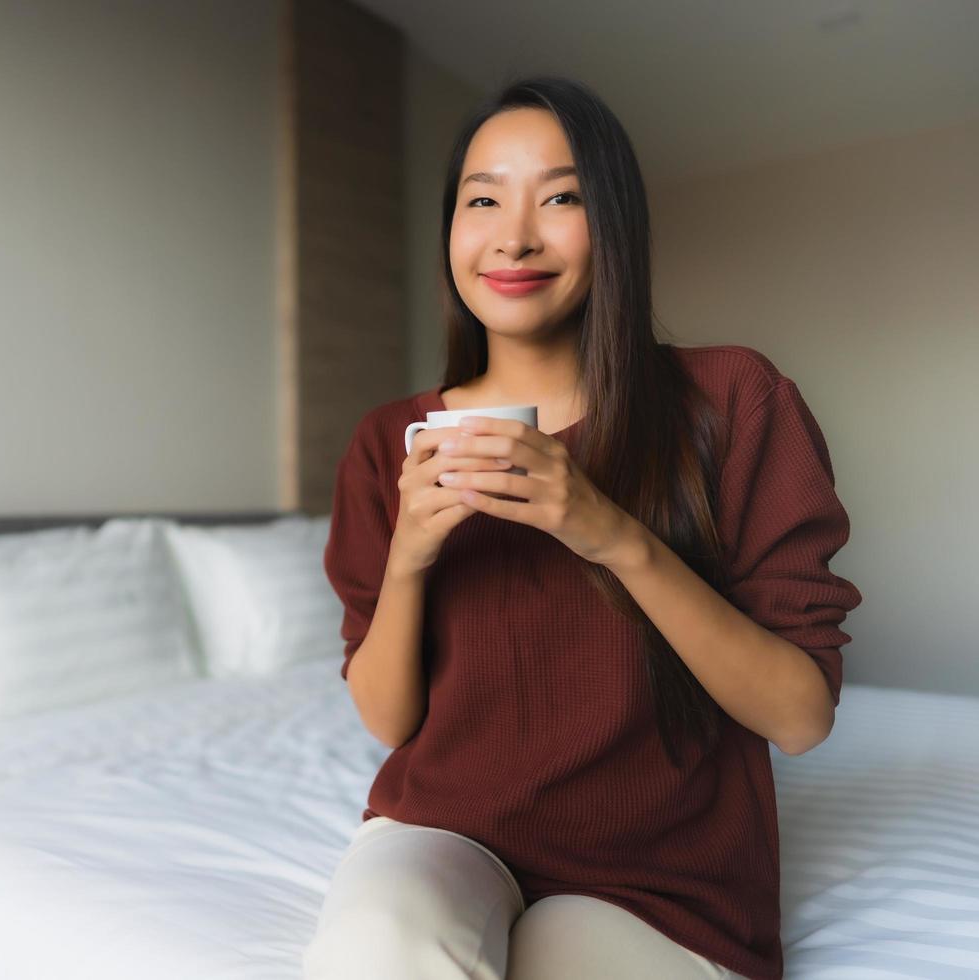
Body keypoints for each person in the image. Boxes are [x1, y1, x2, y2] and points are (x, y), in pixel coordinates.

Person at [303, 75, 862, 980]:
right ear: (451, 226)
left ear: (617, 228)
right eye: (482, 198)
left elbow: (799, 717)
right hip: (446, 830)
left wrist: (609, 530)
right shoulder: (387, 441)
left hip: (663, 874)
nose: (513, 235)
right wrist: (409, 558)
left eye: (561, 197)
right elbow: (387, 716)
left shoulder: (733, 400)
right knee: (376, 947)